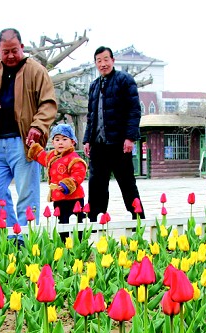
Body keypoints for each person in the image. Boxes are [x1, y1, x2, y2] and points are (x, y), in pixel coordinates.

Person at [0, 28, 57, 232]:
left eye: (14, 51)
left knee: (27, 193)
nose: (10, 56)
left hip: (24, 142)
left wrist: (37, 126)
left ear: (22, 47)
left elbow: (49, 103)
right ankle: (12, 233)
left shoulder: (36, 70)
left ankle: (27, 239)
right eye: (5, 51)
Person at [83, 46, 143, 223]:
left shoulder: (125, 80)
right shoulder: (94, 85)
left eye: (106, 59)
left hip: (119, 143)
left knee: (127, 183)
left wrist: (130, 137)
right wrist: (87, 140)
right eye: (99, 61)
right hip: (98, 144)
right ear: (95, 63)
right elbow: (91, 116)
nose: (103, 64)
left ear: (113, 60)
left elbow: (134, 110)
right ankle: (94, 221)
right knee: (96, 184)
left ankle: (138, 220)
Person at [27, 123, 87, 237]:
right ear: (53, 142)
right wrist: (34, 147)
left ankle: (79, 243)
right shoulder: (51, 157)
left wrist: (67, 184)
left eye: (65, 139)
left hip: (74, 198)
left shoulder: (74, 158)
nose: (60, 142)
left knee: (77, 222)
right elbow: (42, 156)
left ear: (72, 142)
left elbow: (79, 174)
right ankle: (64, 242)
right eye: (57, 139)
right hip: (59, 198)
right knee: (62, 222)